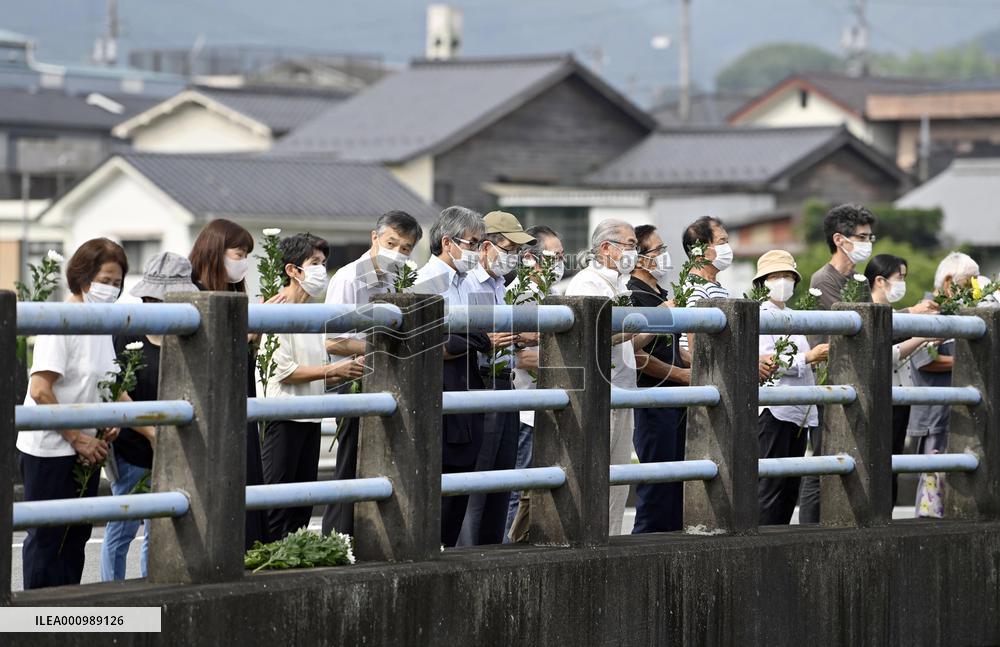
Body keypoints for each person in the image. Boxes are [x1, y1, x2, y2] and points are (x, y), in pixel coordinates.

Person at [18, 238, 128, 589]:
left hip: (86, 449)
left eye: (117, 283)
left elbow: (106, 385)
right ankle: (35, 626)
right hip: (52, 448)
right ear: (83, 278)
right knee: (48, 540)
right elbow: (40, 390)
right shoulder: (62, 321)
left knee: (76, 538)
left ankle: (67, 619)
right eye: (105, 280)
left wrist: (110, 423)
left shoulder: (101, 325)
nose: (111, 289)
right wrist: (76, 437)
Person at [322, 210, 423, 537]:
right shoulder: (349, 277)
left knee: (382, 467)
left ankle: (370, 538)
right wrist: (382, 347)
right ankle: (337, 538)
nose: (397, 252)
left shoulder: (401, 279)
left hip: (387, 386)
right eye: (391, 243)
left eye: (405, 248)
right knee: (350, 463)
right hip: (354, 381)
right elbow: (334, 341)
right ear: (374, 238)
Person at [100, 252, 197, 581]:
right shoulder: (126, 331)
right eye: (149, 298)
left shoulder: (187, 334)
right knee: (122, 527)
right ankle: (112, 593)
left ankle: (149, 589)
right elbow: (114, 385)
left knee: (158, 530)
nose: (152, 303)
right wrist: (151, 432)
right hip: (132, 444)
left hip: (172, 447)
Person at [262, 233, 365, 540]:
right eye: (315, 263)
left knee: (301, 510)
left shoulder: (314, 314)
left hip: (310, 417)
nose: (322, 270)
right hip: (282, 417)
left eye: (323, 263)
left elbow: (317, 371)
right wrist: (333, 369)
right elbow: (286, 371)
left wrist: (343, 373)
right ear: (293, 270)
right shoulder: (276, 309)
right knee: (276, 508)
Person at [188, 218, 273, 549]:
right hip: (213, 412)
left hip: (241, 407)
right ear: (215, 251)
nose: (244, 263)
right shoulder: (193, 293)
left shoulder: (235, 294)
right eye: (239, 254)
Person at [413, 206, 492, 546]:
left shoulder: (461, 281)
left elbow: (472, 335)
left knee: (460, 486)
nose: (477, 251)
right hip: (442, 390)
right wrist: (479, 338)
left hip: (466, 390)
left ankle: (445, 549)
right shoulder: (427, 282)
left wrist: (475, 338)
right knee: (441, 486)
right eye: (473, 243)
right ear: (448, 242)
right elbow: (437, 344)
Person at [457, 211, 535, 546]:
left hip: (505, 382)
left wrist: (516, 336)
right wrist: (493, 338)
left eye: (517, 250)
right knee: (479, 480)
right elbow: (468, 338)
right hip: (480, 382)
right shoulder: (467, 283)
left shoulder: (502, 286)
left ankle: (492, 552)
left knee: (503, 480)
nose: (513, 256)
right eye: (508, 247)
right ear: (486, 247)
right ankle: (470, 555)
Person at [564, 218, 640, 536]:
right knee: (595, 475)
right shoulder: (587, 284)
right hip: (599, 392)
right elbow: (590, 337)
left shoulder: (621, 284)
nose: (635, 253)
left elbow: (630, 340)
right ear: (606, 247)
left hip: (623, 389)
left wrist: (657, 320)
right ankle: (591, 540)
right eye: (631, 245)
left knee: (618, 479)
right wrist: (632, 327)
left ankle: (611, 539)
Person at [753, 250, 830, 525]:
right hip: (775, 410)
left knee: (788, 488)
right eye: (776, 276)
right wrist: (809, 357)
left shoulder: (794, 315)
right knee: (770, 487)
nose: (783, 281)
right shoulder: (760, 314)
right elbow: (767, 359)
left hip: (797, 411)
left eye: (787, 276)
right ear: (763, 282)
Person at [627, 225, 692, 533]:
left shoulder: (661, 295)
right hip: (653, 398)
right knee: (656, 487)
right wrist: (681, 375)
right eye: (658, 251)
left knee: (677, 484)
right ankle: (645, 550)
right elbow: (635, 356)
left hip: (676, 397)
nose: (665, 257)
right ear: (639, 259)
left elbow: (674, 349)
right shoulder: (633, 295)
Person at [504, 225, 565, 543]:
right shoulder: (520, 296)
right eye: (555, 256)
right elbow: (522, 358)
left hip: (542, 406)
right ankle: (504, 552)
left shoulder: (549, 294)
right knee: (518, 493)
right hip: (525, 410)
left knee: (535, 493)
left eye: (563, 255)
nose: (561, 261)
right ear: (530, 258)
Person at [908, 252, 980, 517]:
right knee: (932, 486)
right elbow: (925, 361)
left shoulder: (953, 313)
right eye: (968, 282)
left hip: (951, 412)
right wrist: (969, 362)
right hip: (934, 414)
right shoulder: (926, 311)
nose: (973, 289)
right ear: (949, 282)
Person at [865, 253, 939, 507]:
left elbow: (903, 356)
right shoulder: (871, 314)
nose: (903, 284)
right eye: (900, 278)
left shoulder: (892, 314)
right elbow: (888, 357)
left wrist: (926, 339)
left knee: (893, 464)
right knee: (882, 463)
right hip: (884, 399)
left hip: (901, 396)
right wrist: (921, 335)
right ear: (880, 280)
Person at [678, 216, 734, 356]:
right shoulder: (695, 288)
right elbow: (694, 347)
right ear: (699, 250)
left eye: (727, 242)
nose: (727, 248)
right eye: (721, 242)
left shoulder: (715, 286)